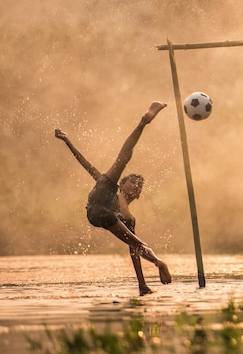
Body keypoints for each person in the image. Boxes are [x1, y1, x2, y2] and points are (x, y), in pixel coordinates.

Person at [55, 101, 171, 295]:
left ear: (140, 194)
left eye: (139, 185)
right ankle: (144, 121)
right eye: (132, 182)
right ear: (123, 185)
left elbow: (134, 250)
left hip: (103, 216)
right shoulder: (113, 187)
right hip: (99, 199)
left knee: (138, 244)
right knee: (123, 159)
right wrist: (68, 142)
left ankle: (155, 268)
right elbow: (86, 165)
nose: (136, 186)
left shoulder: (129, 218)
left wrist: (141, 284)